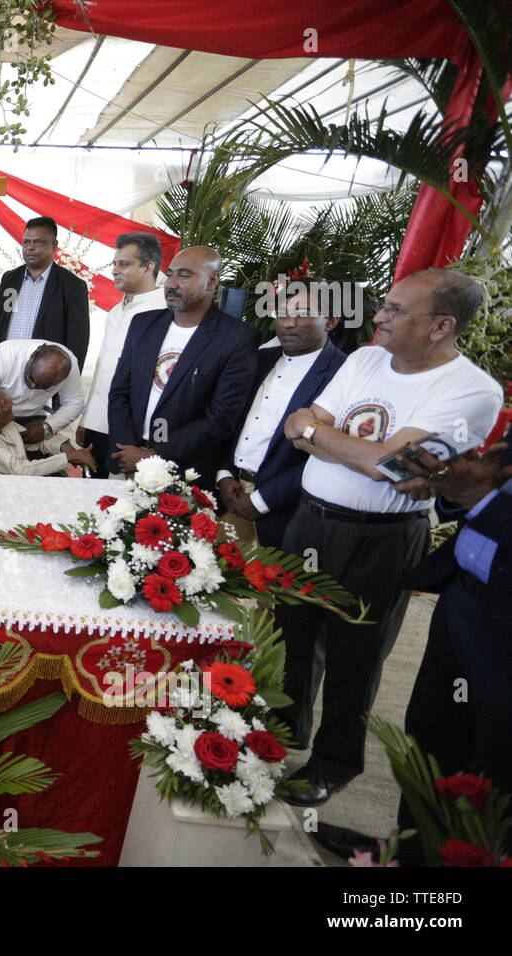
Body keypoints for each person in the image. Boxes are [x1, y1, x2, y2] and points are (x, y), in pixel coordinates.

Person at [276, 268, 503, 808]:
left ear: (441, 326)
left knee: (357, 656)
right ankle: (283, 735)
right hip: (310, 519)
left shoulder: (473, 390)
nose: (379, 315)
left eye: (397, 310)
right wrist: (334, 442)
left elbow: (390, 470)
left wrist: (319, 434)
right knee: (291, 638)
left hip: (381, 537)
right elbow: (295, 427)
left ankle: (334, 764)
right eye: (385, 304)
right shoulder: (364, 359)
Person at [105, 245, 259, 487]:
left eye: (184, 275)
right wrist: (127, 452)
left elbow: (220, 418)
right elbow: (119, 392)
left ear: (211, 282)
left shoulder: (236, 338)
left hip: (183, 471)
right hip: (126, 462)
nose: (171, 283)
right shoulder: (143, 324)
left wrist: (152, 457)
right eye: (170, 273)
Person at [215, 282, 346, 547]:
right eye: (283, 313)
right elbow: (225, 420)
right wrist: (223, 474)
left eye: (302, 313)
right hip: (227, 494)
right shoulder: (258, 359)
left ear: (330, 321)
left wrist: (264, 500)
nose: (287, 323)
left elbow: (332, 452)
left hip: (284, 511)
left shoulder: (344, 373)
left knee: (268, 587)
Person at [79, 233, 166, 477]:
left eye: (124, 264)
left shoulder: (164, 311)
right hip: (97, 422)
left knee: (119, 497)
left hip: (130, 428)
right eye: (114, 264)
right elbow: (102, 367)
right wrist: (87, 418)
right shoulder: (116, 310)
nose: (115, 270)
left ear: (148, 267)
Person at [0, 340, 90, 469]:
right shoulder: (6, 354)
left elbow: (74, 403)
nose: (33, 387)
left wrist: (47, 428)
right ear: (32, 357)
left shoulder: (68, 365)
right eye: (32, 378)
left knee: (31, 459)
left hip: (31, 420)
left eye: (43, 387)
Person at [0, 216, 90, 368]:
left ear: (54, 246)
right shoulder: (11, 279)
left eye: (38, 242)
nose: (30, 247)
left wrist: (67, 379)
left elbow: (77, 341)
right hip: (4, 368)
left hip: (44, 375)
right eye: (27, 242)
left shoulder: (72, 286)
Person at [0, 385, 94, 477]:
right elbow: (20, 470)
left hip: (21, 482)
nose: (10, 403)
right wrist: (68, 458)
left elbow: (38, 441)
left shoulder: (6, 424)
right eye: (4, 404)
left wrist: (65, 448)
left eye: (6, 399)